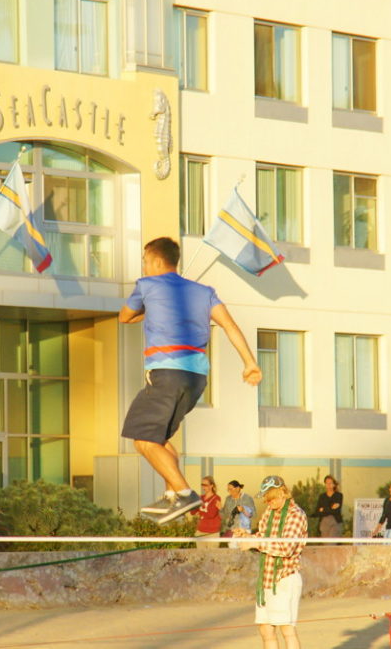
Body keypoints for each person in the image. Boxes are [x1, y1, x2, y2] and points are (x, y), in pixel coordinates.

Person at [120, 237, 262, 524]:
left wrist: (148, 310)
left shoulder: (146, 285)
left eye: (145, 261)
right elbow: (230, 326)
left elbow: (124, 317)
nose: (144, 266)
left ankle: (185, 493)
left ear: (156, 261)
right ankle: (173, 495)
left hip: (166, 374)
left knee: (143, 440)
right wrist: (250, 363)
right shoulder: (205, 291)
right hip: (196, 377)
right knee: (161, 440)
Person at [233, 475, 307, 649]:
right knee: (266, 630)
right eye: (266, 498)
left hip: (285, 578)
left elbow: (286, 548)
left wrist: (256, 542)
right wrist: (248, 536)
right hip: (266, 579)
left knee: (287, 630)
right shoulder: (268, 513)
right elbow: (263, 537)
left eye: (271, 497)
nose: (268, 501)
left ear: (282, 493)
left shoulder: (296, 515)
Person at [192, 476, 222, 547]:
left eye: (205, 485)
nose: (203, 487)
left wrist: (200, 512)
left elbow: (211, 514)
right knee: (200, 555)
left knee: (212, 556)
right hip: (200, 531)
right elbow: (193, 512)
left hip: (212, 532)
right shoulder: (200, 497)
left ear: (211, 485)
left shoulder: (216, 498)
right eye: (202, 485)